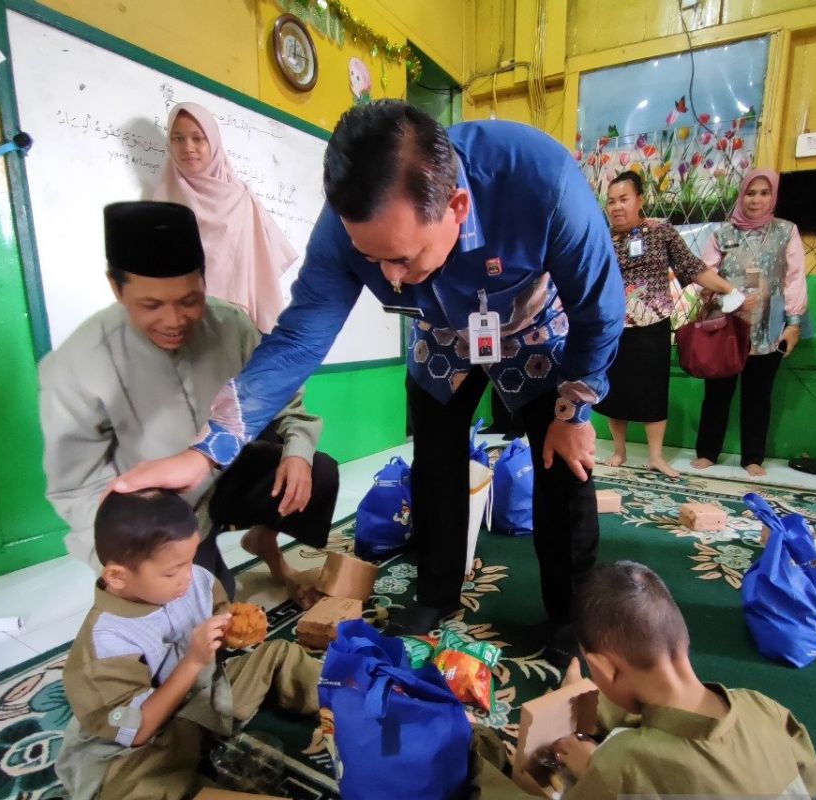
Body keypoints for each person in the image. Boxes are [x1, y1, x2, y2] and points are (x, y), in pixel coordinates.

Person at [114, 101, 625, 664]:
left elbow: (600, 307)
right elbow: (298, 340)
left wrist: (576, 409)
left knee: (563, 468)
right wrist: (207, 451)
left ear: (456, 207)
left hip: (532, 326)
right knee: (434, 461)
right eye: (372, 260)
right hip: (442, 334)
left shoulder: (540, 182)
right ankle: (436, 592)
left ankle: (568, 616)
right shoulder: (346, 226)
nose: (390, 280)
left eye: (403, 258)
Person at [39, 201, 338, 600]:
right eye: (151, 305)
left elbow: (283, 398)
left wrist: (297, 451)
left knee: (316, 473)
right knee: (202, 620)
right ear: (116, 288)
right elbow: (75, 491)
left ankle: (263, 541)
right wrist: (134, 566)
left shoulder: (230, 325)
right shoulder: (77, 364)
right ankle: (197, 558)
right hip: (164, 513)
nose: (174, 320)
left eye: (189, 300)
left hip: (224, 476)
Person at [54, 489, 322, 800]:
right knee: (138, 789)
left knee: (278, 655)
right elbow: (139, 730)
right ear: (117, 576)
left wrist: (230, 625)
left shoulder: (195, 579)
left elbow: (219, 609)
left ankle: (352, 694)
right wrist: (193, 661)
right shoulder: (106, 643)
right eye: (171, 571)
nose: (187, 577)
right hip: (152, 736)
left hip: (207, 696)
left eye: (190, 560)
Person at [479, 561, 816, 798]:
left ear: (603, 667)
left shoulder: (623, 763)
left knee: (474, 765)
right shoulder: (761, 706)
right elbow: (810, 779)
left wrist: (593, 768)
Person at [595, 171, 740, 477]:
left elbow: (691, 267)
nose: (617, 207)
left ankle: (656, 456)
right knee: (614, 390)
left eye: (624, 199)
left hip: (653, 324)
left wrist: (729, 289)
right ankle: (619, 450)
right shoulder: (600, 237)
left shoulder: (661, 232)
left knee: (653, 390)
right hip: (611, 327)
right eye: (611, 201)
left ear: (640, 200)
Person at [691, 169, 808, 477]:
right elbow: (704, 277)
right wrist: (724, 300)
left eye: (764, 193)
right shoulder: (722, 235)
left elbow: (794, 278)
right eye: (750, 193)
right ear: (741, 196)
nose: (756, 200)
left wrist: (793, 323)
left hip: (769, 327)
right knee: (717, 394)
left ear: (773, 197)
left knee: (759, 395)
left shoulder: (786, 231)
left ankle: (752, 457)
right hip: (726, 326)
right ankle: (707, 452)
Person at [154, 102, 298, 333]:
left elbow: (260, 273)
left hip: (235, 328)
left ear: (213, 142)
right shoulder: (161, 206)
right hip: (181, 328)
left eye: (198, 138)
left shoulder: (241, 201)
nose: (187, 147)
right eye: (178, 138)